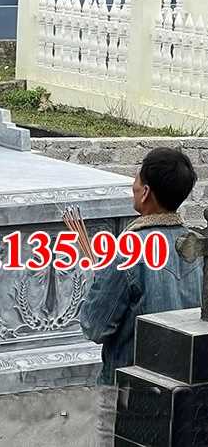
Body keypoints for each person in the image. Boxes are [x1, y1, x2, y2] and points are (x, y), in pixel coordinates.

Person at [80, 147, 203, 446]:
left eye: (136, 179)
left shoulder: (128, 252)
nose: (133, 186)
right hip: (187, 397)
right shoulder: (197, 247)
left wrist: (96, 274)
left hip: (130, 395)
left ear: (146, 192)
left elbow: (95, 327)